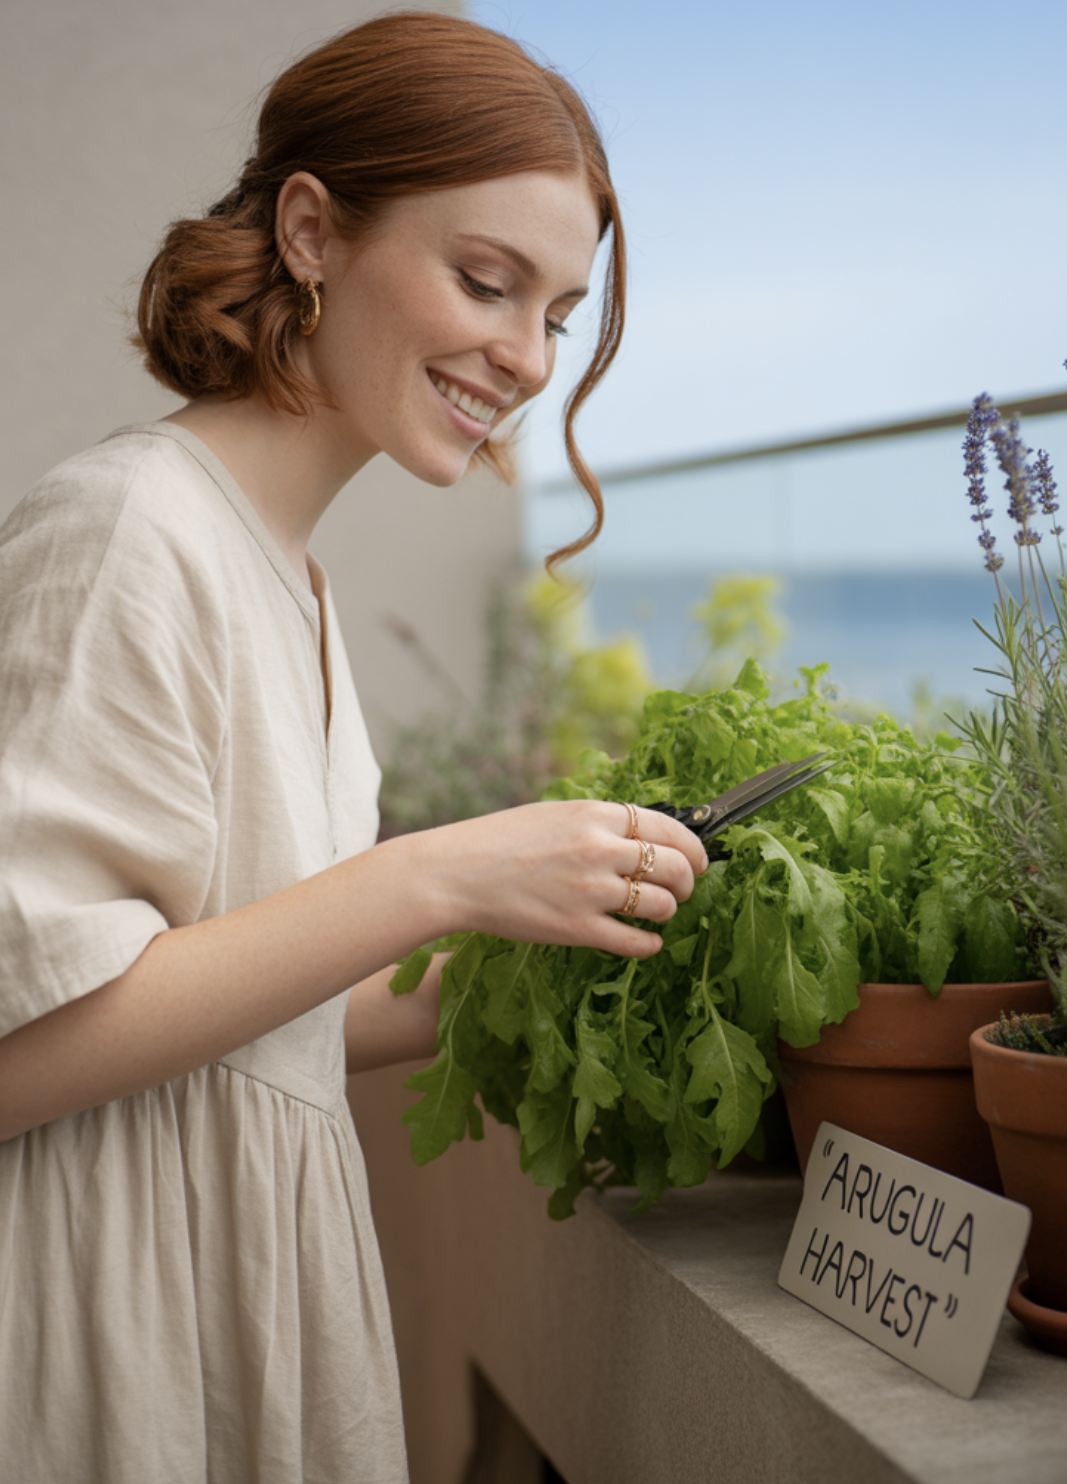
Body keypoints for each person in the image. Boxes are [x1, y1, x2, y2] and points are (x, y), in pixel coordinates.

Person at [0, 13, 706, 1482]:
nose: (524, 358)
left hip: (230, 1291)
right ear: (314, 230)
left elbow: (253, 1010)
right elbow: (22, 1042)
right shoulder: (128, 528)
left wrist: (550, 946)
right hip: (110, 1325)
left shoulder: (287, 575)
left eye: (558, 313)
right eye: (484, 281)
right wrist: (440, 874)